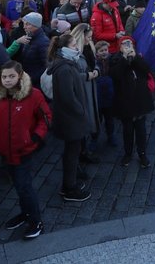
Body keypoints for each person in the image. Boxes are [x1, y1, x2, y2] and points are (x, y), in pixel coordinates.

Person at [0, 61, 51, 240]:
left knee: (24, 186)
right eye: (4, 77)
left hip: (24, 150)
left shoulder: (33, 95)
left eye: (11, 76)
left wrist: (35, 137)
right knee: (18, 185)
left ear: (20, 76)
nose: (7, 80)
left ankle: (36, 221)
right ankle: (25, 213)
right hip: (5, 151)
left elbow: (45, 118)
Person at [45, 32, 93, 202]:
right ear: (65, 48)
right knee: (72, 152)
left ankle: (70, 181)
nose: (77, 48)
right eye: (74, 46)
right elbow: (68, 97)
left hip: (70, 117)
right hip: (71, 118)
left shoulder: (65, 63)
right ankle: (69, 188)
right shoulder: (64, 68)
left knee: (72, 151)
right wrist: (81, 110)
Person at [109, 36, 154, 167]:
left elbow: (147, 70)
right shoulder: (115, 59)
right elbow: (115, 75)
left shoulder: (138, 57)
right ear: (119, 47)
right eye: (124, 44)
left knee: (141, 130)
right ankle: (127, 154)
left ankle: (142, 154)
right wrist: (124, 59)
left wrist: (136, 58)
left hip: (140, 100)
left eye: (129, 44)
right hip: (125, 102)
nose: (127, 47)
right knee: (127, 130)